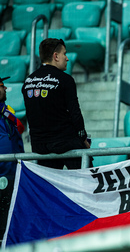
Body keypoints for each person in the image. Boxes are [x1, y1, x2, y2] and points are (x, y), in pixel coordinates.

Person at [22, 38, 91, 169]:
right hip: (65, 142)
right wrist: (83, 138)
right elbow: (75, 113)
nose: (67, 58)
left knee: (48, 187)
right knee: (85, 181)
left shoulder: (28, 81)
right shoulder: (65, 80)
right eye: (64, 54)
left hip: (40, 146)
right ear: (56, 56)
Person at [0, 77, 24, 241]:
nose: (5, 88)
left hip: (13, 169)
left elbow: (20, 127)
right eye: (2, 86)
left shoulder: (7, 110)